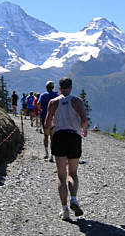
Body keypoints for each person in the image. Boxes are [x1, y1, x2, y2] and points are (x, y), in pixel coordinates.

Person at [45, 77, 87, 220]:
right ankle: (74, 199)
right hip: (74, 137)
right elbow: (84, 119)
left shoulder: (53, 102)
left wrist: (49, 133)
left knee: (61, 176)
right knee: (73, 173)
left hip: (59, 137)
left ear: (59, 87)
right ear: (71, 87)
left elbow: (47, 122)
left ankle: (64, 210)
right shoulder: (77, 101)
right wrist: (84, 130)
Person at [38, 81, 58, 161]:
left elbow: (38, 104)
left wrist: (41, 110)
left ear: (46, 87)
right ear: (53, 87)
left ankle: (46, 153)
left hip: (45, 117)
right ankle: (52, 155)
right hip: (54, 118)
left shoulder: (43, 95)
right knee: (53, 137)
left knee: (46, 136)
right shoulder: (56, 95)